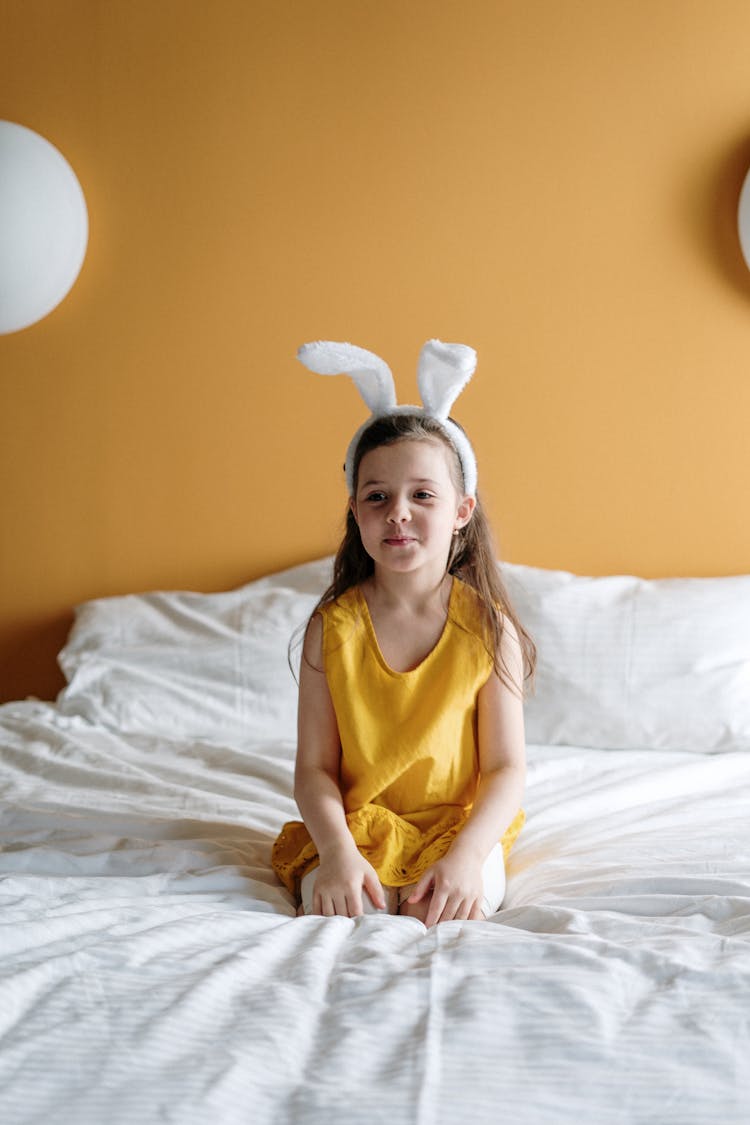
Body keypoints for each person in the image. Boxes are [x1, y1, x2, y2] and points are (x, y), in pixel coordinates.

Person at [272, 339, 536, 926]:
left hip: (458, 829)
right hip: (355, 828)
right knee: (349, 916)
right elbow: (314, 769)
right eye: (377, 497)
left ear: (460, 512)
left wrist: (468, 858)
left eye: (422, 495)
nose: (398, 512)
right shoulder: (331, 630)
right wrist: (338, 855)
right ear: (355, 512)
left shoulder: (490, 629)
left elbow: (505, 770)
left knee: (439, 913)